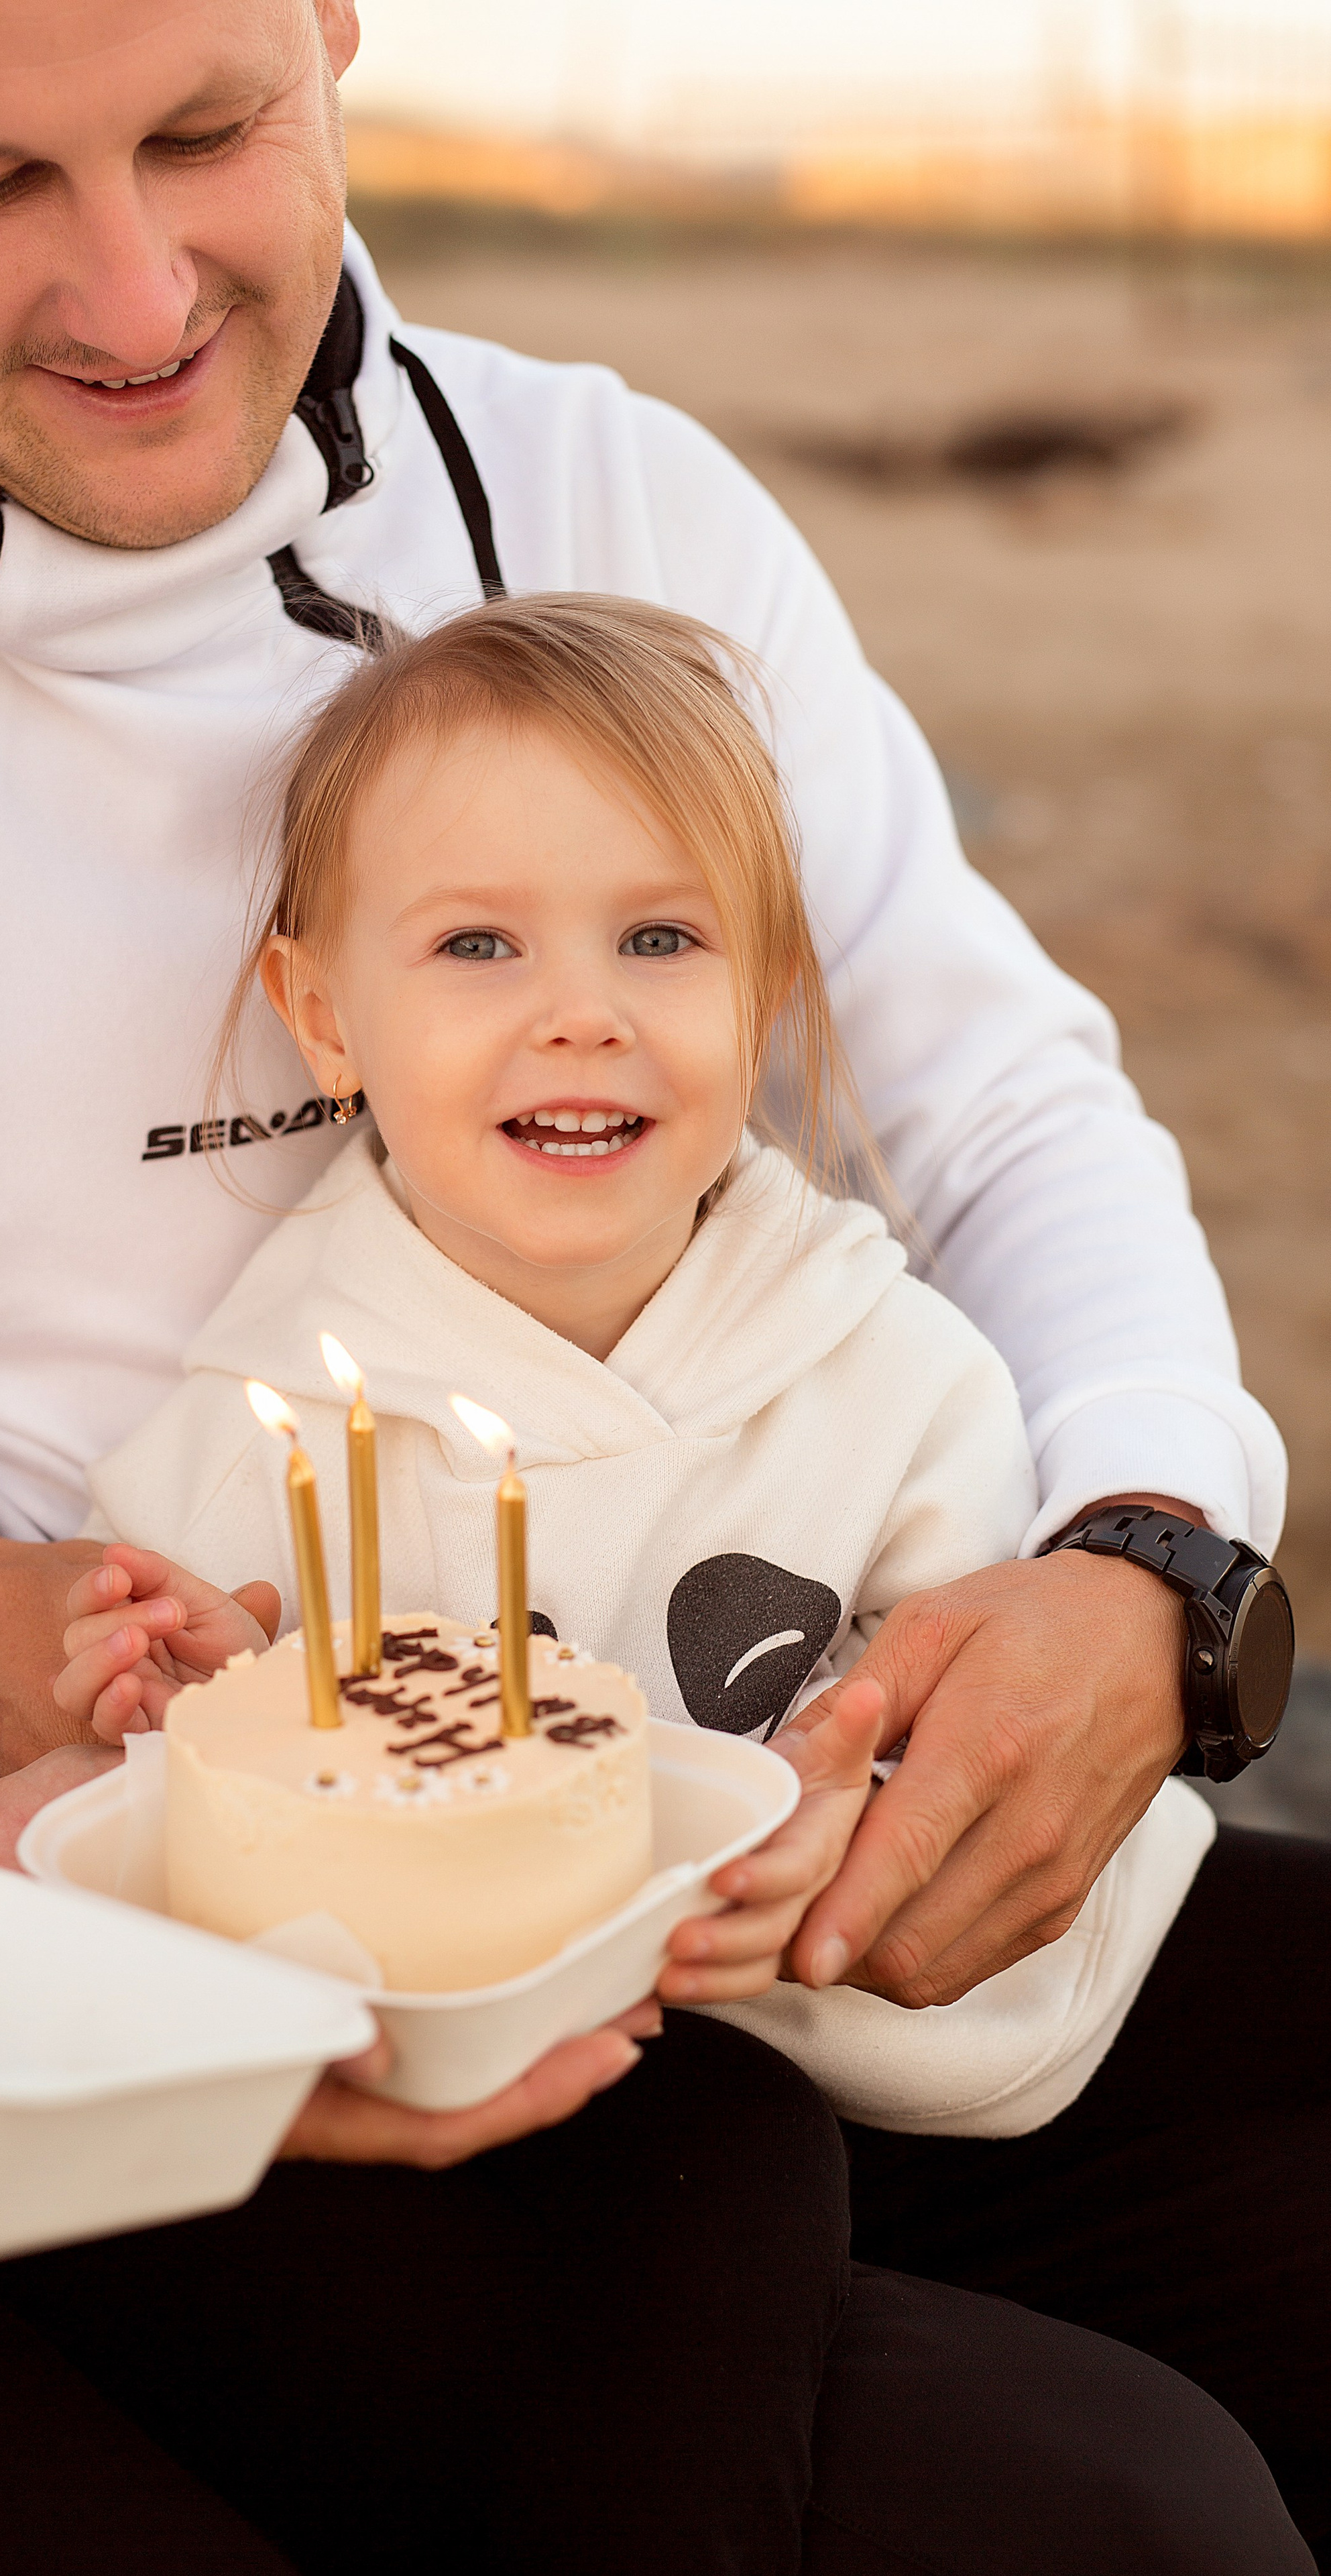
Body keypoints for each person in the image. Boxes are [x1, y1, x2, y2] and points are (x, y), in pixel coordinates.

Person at [0, 0, 1322, 2558]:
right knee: (1119, 2515)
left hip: (668, 1921)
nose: (134, 287)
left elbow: (997, 1098)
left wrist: (1152, 1559)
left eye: (209, 131)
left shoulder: (604, 488)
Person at [66, 585, 1220, 2144]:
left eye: (660, 938)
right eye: (477, 942)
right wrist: (172, 1688)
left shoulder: (890, 1369)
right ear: (323, 1015)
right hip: (513, 2132)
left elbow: (982, 1749)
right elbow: (218, 1816)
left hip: (930, 2046)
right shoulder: (265, 1421)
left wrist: (836, 1840)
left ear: (763, 1000)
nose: (581, 1015)